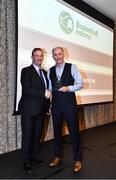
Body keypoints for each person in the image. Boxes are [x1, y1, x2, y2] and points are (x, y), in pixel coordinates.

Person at [47, 47, 83, 173]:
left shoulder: (72, 67)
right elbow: (50, 88)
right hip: (56, 105)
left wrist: (69, 88)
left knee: (74, 132)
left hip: (69, 105)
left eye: (60, 54)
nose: (58, 56)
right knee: (57, 132)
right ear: (53, 56)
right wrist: (48, 94)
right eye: (55, 55)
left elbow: (80, 83)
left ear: (63, 54)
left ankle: (78, 159)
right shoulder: (49, 71)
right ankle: (58, 156)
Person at [18, 48, 51, 173]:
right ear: (32, 57)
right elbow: (27, 89)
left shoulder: (45, 73)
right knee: (28, 136)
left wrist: (48, 107)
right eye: (36, 55)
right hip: (28, 109)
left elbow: (48, 91)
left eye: (41, 56)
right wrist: (43, 93)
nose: (39, 58)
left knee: (37, 135)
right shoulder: (26, 71)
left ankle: (34, 157)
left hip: (41, 110)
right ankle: (26, 161)